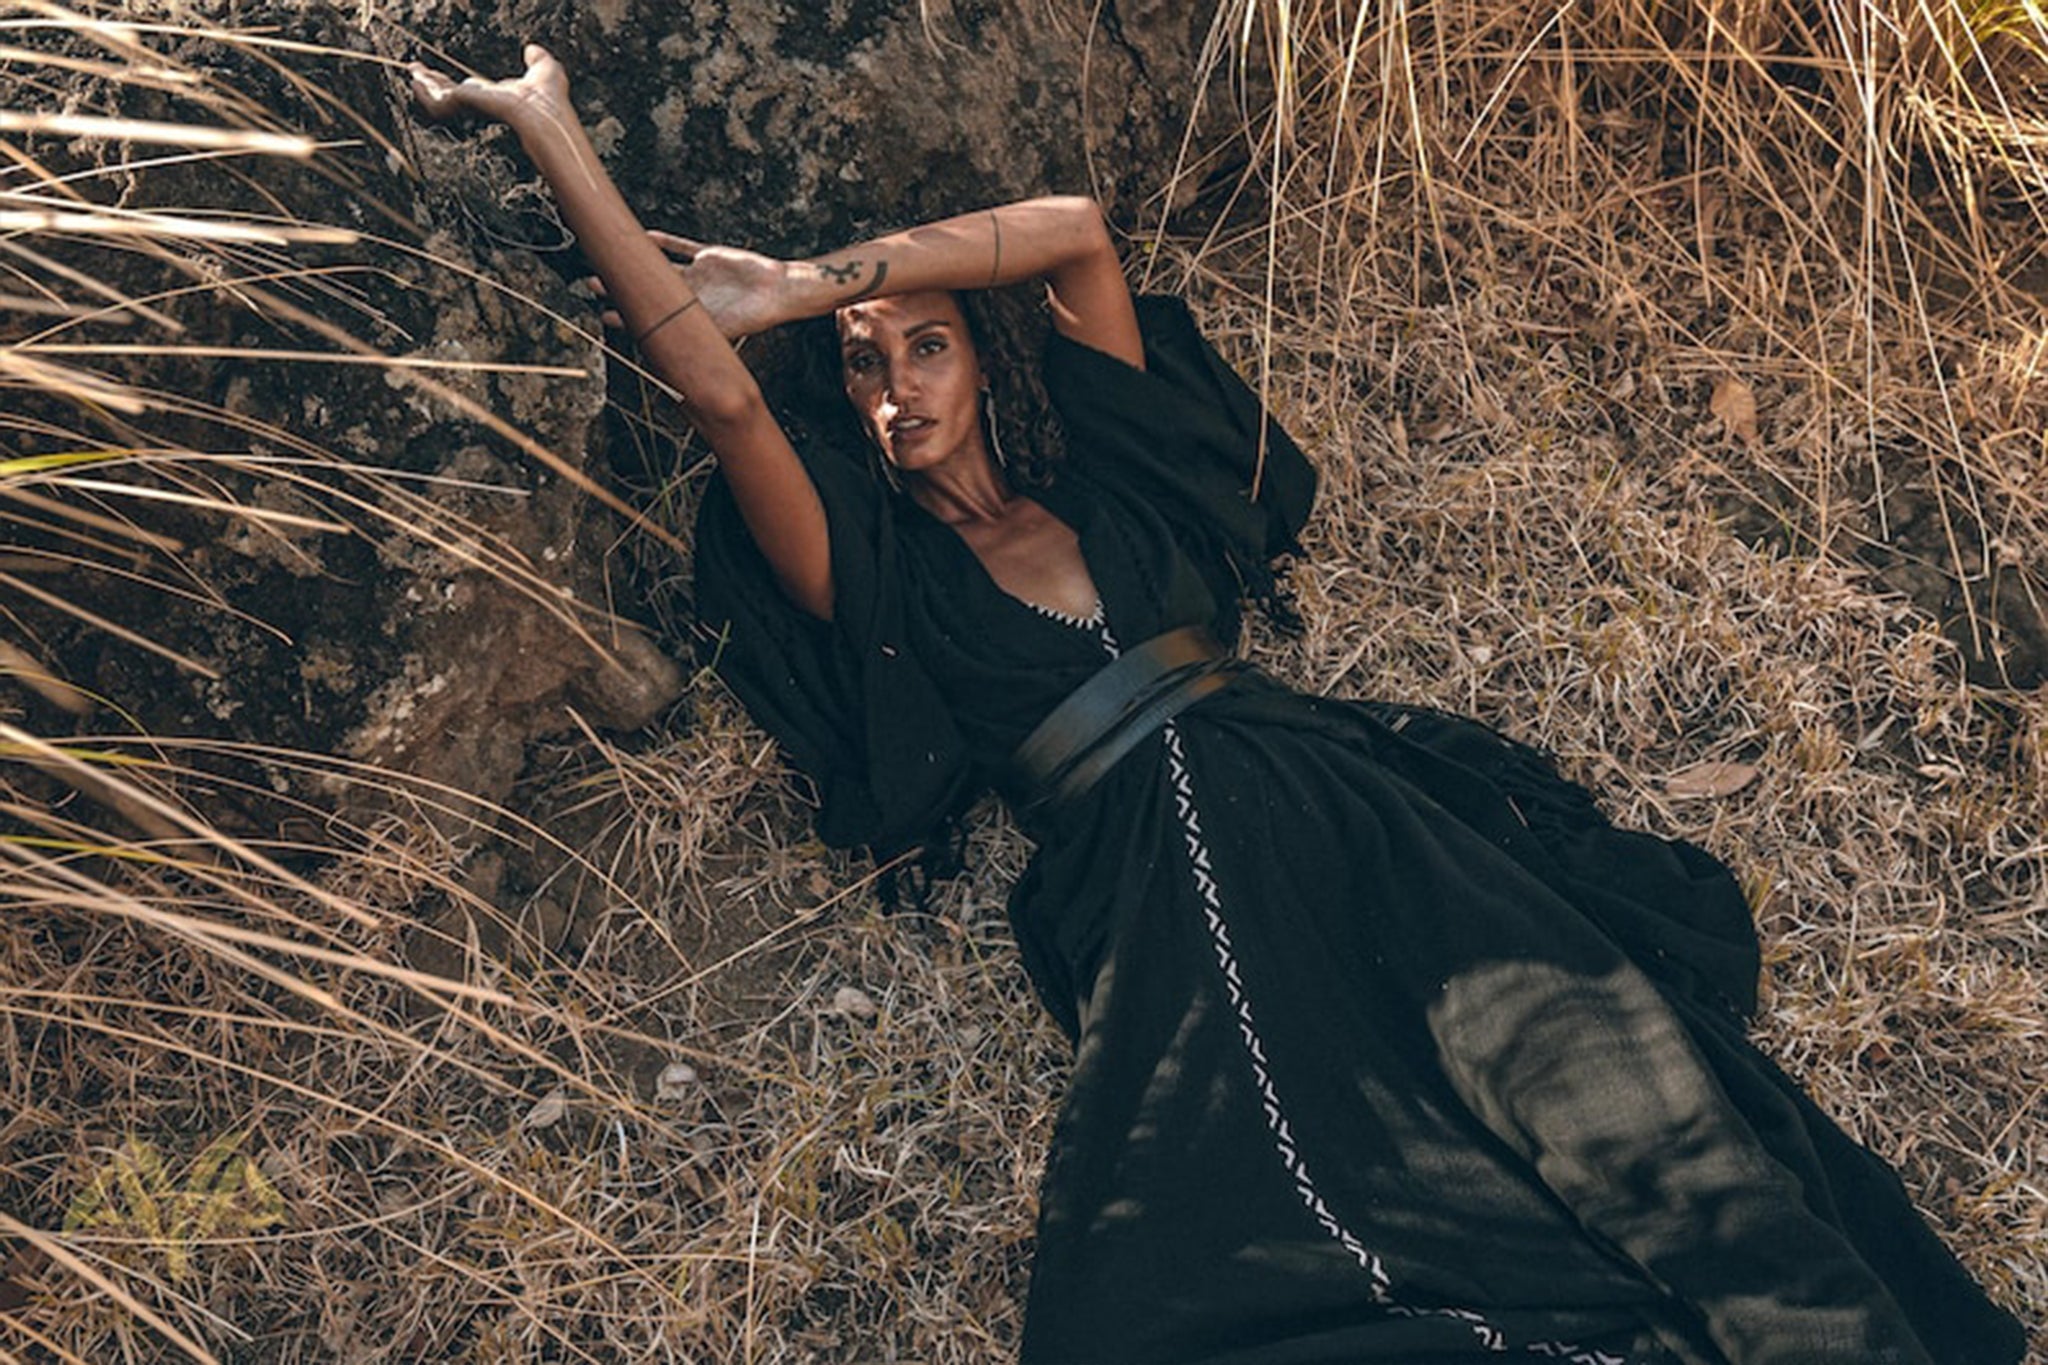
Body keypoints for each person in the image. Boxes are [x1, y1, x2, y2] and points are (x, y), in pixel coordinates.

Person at [411, 47, 2026, 1365]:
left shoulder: (1115, 492)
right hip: (1158, 880)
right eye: (859, 367)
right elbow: (707, 386)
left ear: (991, 366)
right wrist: (555, 129)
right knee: (1305, 1190)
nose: (892, 385)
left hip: (1333, 792)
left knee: (1605, 1070)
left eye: (922, 346)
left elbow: (1075, 229)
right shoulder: (881, 577)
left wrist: (806, 282)